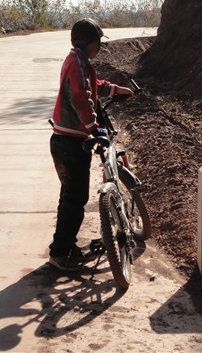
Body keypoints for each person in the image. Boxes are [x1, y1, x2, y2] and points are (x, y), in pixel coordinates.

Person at [48, 18, 134, 272]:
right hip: (71, 142)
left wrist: (114, 89)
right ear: (90, 42)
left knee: (70, 197)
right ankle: (61, 254)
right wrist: (92, 127)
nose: (100, 48)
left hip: (67, 139)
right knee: (75, 199)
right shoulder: (77, 64)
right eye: (99, 43)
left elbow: (91, 87)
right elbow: (80, 96)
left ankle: (65, 246)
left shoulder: (78, 61)